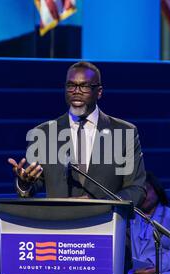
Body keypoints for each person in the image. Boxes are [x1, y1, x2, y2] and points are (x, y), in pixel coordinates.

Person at [8, 61, 146, 206]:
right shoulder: (44, 133)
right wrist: (24, 184)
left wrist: (99, 205)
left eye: (84, 86)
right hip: (60, 225)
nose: (76, 91)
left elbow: (136, 189)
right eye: (71, 85)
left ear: (99, 92)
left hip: (105, 223)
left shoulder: (124, 132)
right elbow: (31, 187)